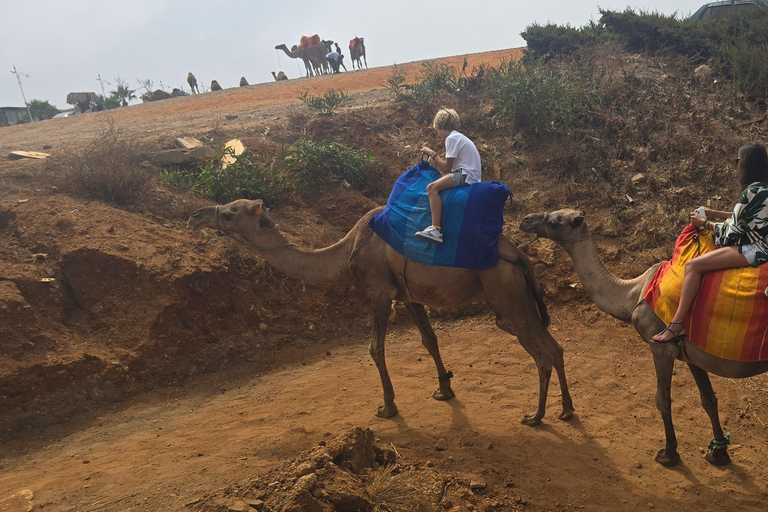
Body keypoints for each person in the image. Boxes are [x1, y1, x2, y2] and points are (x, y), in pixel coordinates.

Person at [651, 141, 768, 343]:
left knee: (693, 265)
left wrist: (705, 223)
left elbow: (733, 230)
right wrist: (713, 213)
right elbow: (742, 216)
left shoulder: (752, 191)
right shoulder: (762, 189)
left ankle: (677, 324)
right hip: (758, 242)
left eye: (738, 161)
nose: (736, 165)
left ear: (747, 163)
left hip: (754, 248)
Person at [415, 108, 482, 244]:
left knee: (431, 188)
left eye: (437, 130)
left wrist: (433, 154)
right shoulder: (459, 137)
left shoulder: (451, 138)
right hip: (469, 174)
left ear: (441, 126)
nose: (438, 134)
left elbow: (447, 167)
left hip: (465, 175)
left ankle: (435, 229)